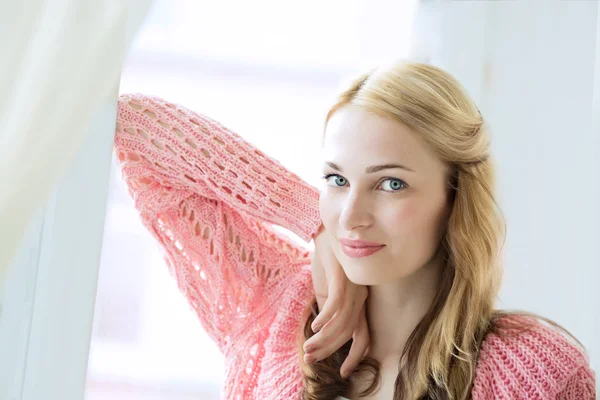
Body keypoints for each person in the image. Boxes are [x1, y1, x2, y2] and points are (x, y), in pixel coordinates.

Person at [113, 61, 595, 399]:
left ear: (454, 197)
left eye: (390, 183)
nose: (351, 215)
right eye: (337, 180)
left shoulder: (535, 371)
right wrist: (310, 221)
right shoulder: (276, 310)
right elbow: (132, 123)